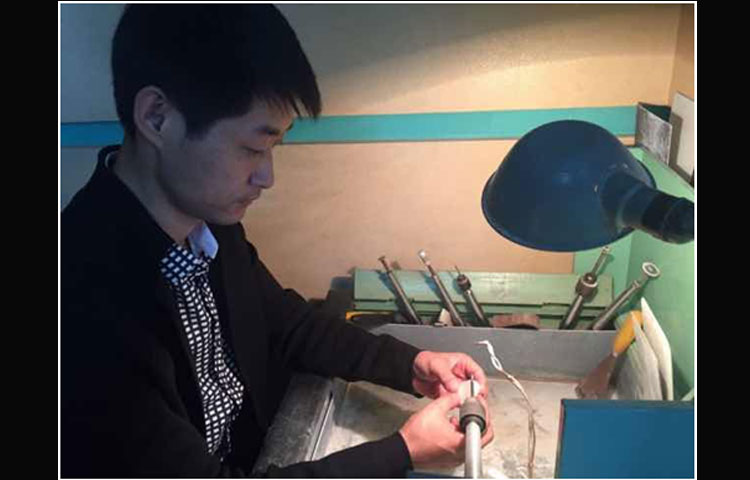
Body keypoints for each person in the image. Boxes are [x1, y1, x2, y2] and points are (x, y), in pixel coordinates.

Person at [61, 4, 493, 477]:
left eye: (274, 147)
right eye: (251, 148)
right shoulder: (83, 299)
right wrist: (402, 452)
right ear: (157, 118)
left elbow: (286, 323)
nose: (267, 177)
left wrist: (413, 365)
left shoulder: (208, 226)